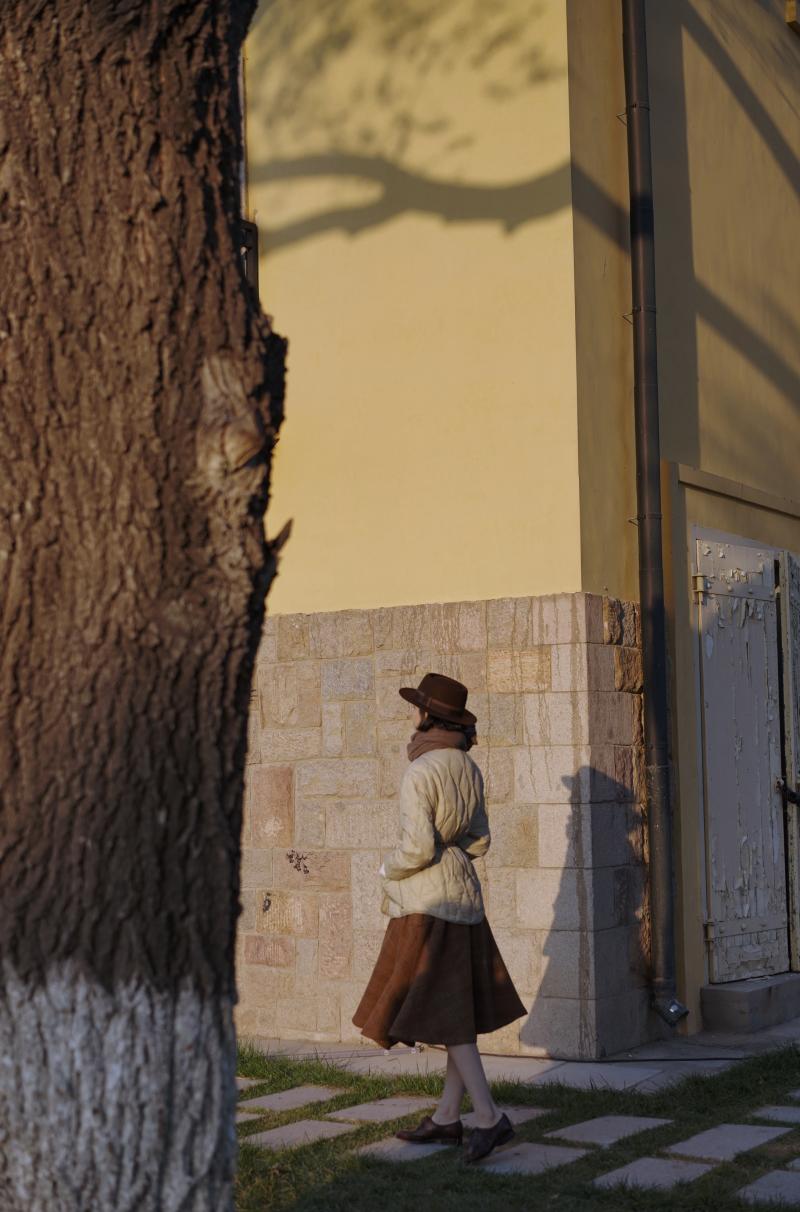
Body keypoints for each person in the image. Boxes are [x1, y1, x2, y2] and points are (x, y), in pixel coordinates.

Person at [352, 672, 526, 1164]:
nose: (412, 716)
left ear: (429, 716)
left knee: (450, 1017)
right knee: (457, 1010)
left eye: (417, 708)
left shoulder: (420, 772)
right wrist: (451, 855)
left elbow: (417, 848)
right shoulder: (469, 769)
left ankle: (489, 1118)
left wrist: (387, 866)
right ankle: (449, 1118)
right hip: (465, 898)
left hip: (428, 905)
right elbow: (481, 842)